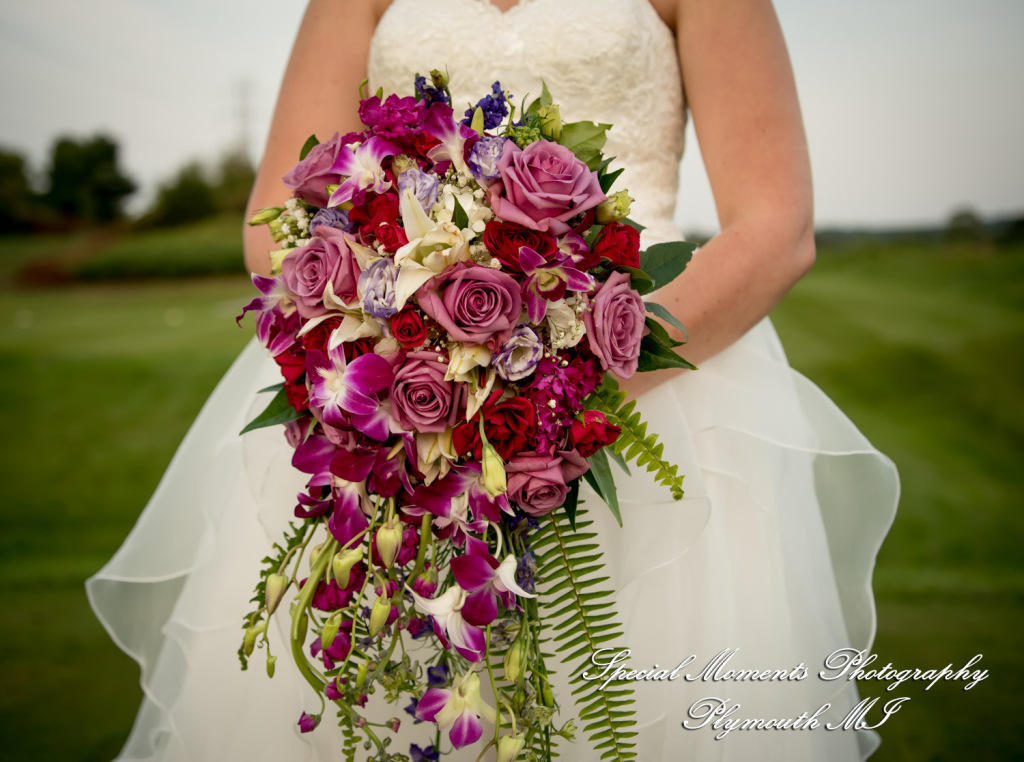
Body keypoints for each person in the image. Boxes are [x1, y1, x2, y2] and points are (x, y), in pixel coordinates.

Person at [88, 0, 899, 760]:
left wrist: (561, 372)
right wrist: (406, 361)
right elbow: (277, 213)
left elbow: (775, 225)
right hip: (385, 393)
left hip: (639, 374)